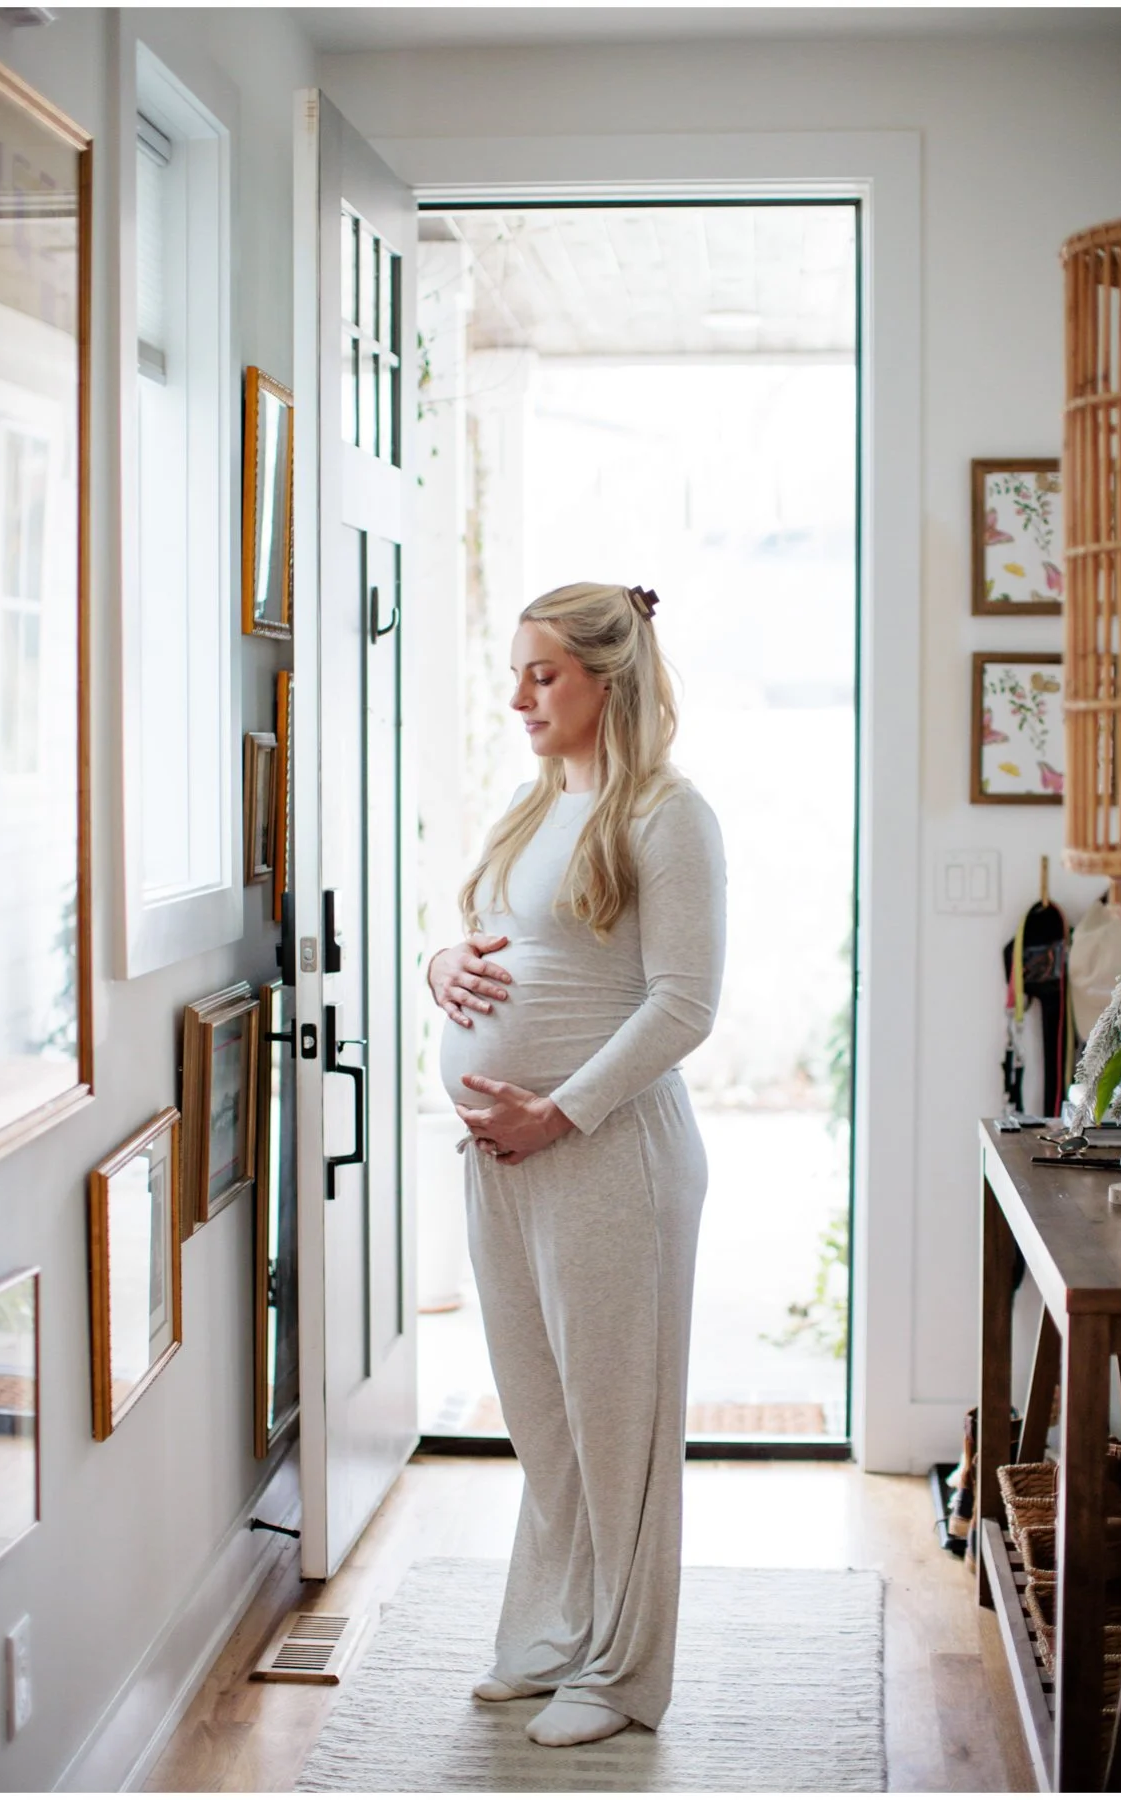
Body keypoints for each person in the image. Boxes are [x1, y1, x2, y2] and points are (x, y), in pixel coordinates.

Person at [425, 580, 728, 1748]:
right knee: (544, 1424)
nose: (518, 696)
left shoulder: (667, 814)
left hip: (612, 1162)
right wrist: (440, 967)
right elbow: (499, 942)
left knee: (619, 1433)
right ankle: (555, 1631)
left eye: (542, 674)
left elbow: (685, 1004)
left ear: (611, 679)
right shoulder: (532, 799)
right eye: (517, 671)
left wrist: (560, 1111)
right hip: (505, 1163)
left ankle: (622, 1671)